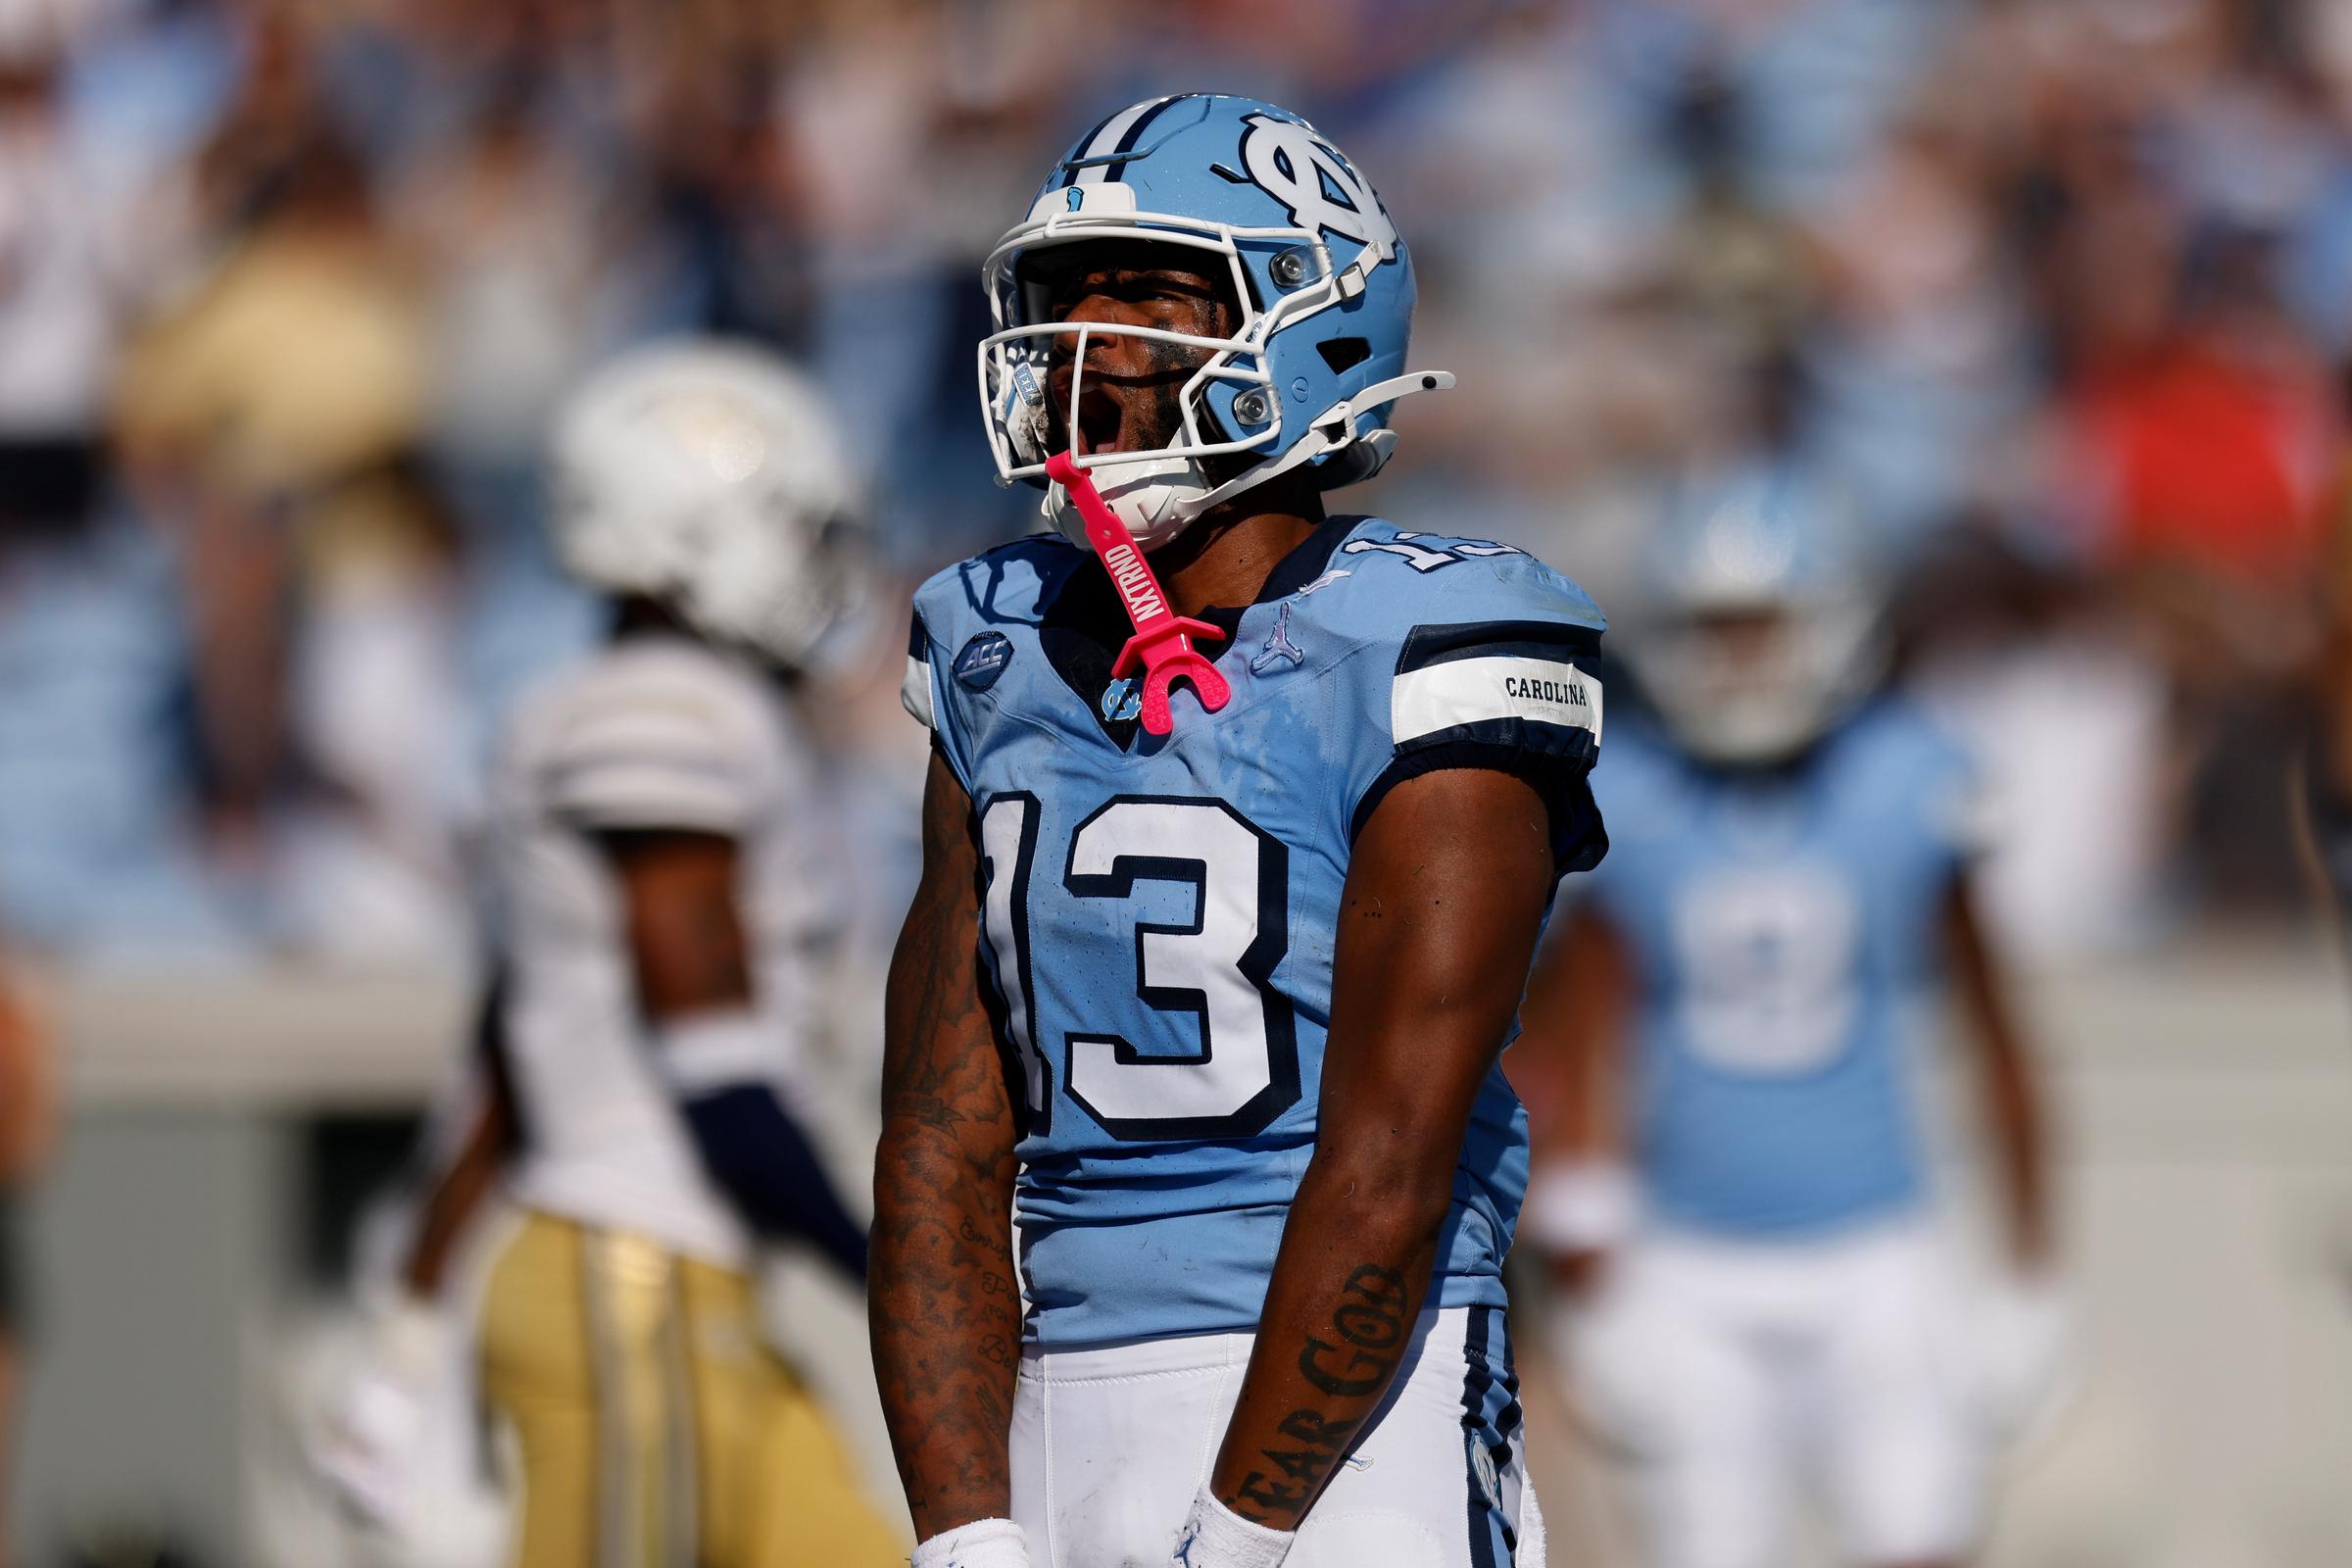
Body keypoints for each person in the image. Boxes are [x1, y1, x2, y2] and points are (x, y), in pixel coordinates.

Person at [870, 94, 1610, 1568]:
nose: (1087, 344)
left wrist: (1241, 1529)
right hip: (1058, 1407)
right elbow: (942, 1143)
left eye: (1146, 290)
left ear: (1309, 319)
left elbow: (1391, 1152)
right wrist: (965, 1532)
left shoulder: (1429, 633)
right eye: (1065, 295)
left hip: (1353, 1431)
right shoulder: (995, 638)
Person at [317, 339, 903, 1568]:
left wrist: (418, 1306)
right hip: (633, 1270)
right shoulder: (665, 712)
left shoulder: (616, 702)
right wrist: (892, 1269)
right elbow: (714, 1066)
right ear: (698, 529)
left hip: (678, 1277)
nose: (822, 562)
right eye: (795, 526)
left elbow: (509, 1060)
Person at [1514, 466, 2064, 1568]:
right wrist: (1585, 1243)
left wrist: (2029, 1267)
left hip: (1878, 1245)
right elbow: (1583, 1032)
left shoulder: (1909, 775)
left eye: (1760, 627)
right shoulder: (1634, 791)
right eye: (1716, 629)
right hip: (1687, 1256)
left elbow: (1998, 1028)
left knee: (1923, 1544)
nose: (1739, 658)